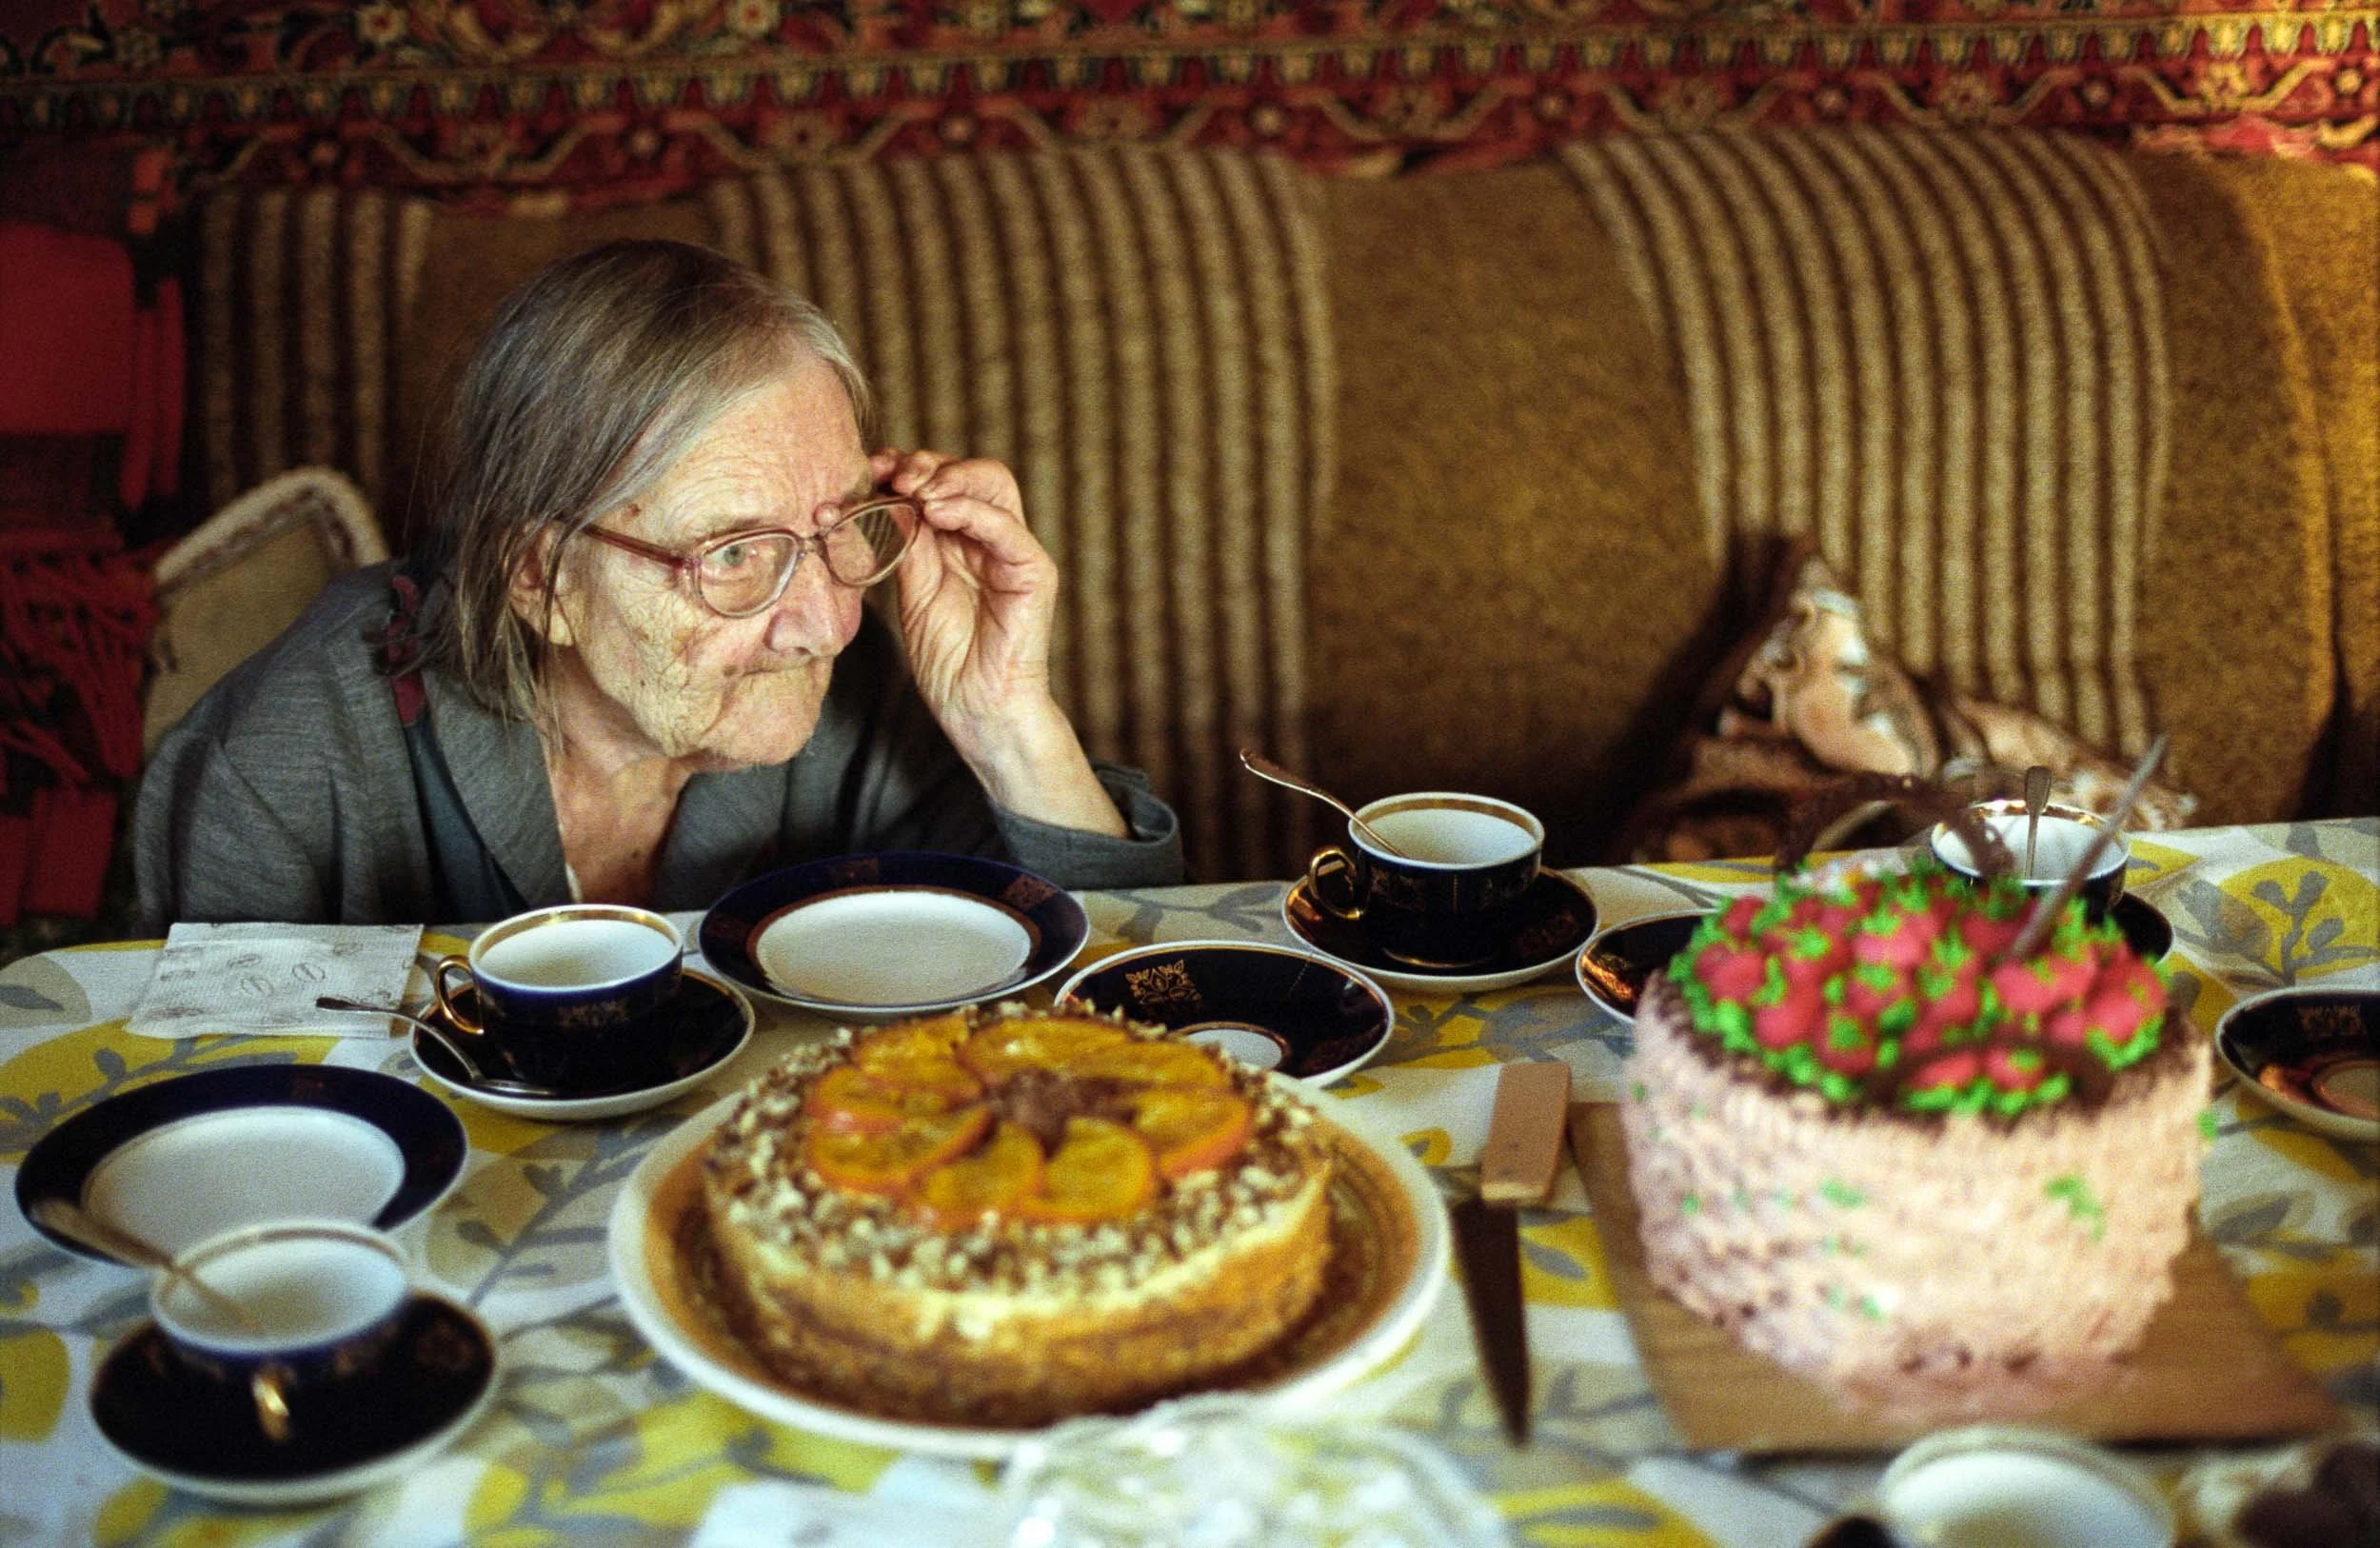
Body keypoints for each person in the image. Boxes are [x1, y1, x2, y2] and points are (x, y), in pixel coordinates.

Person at [135, 240, 1182, 927]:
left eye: (840, 529)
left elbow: (1124, 991)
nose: (820, 622)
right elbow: (214, 1132)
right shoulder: (278, 767)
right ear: (540, 578)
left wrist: (1007, 721)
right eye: (732, 554)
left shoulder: (859, 700)